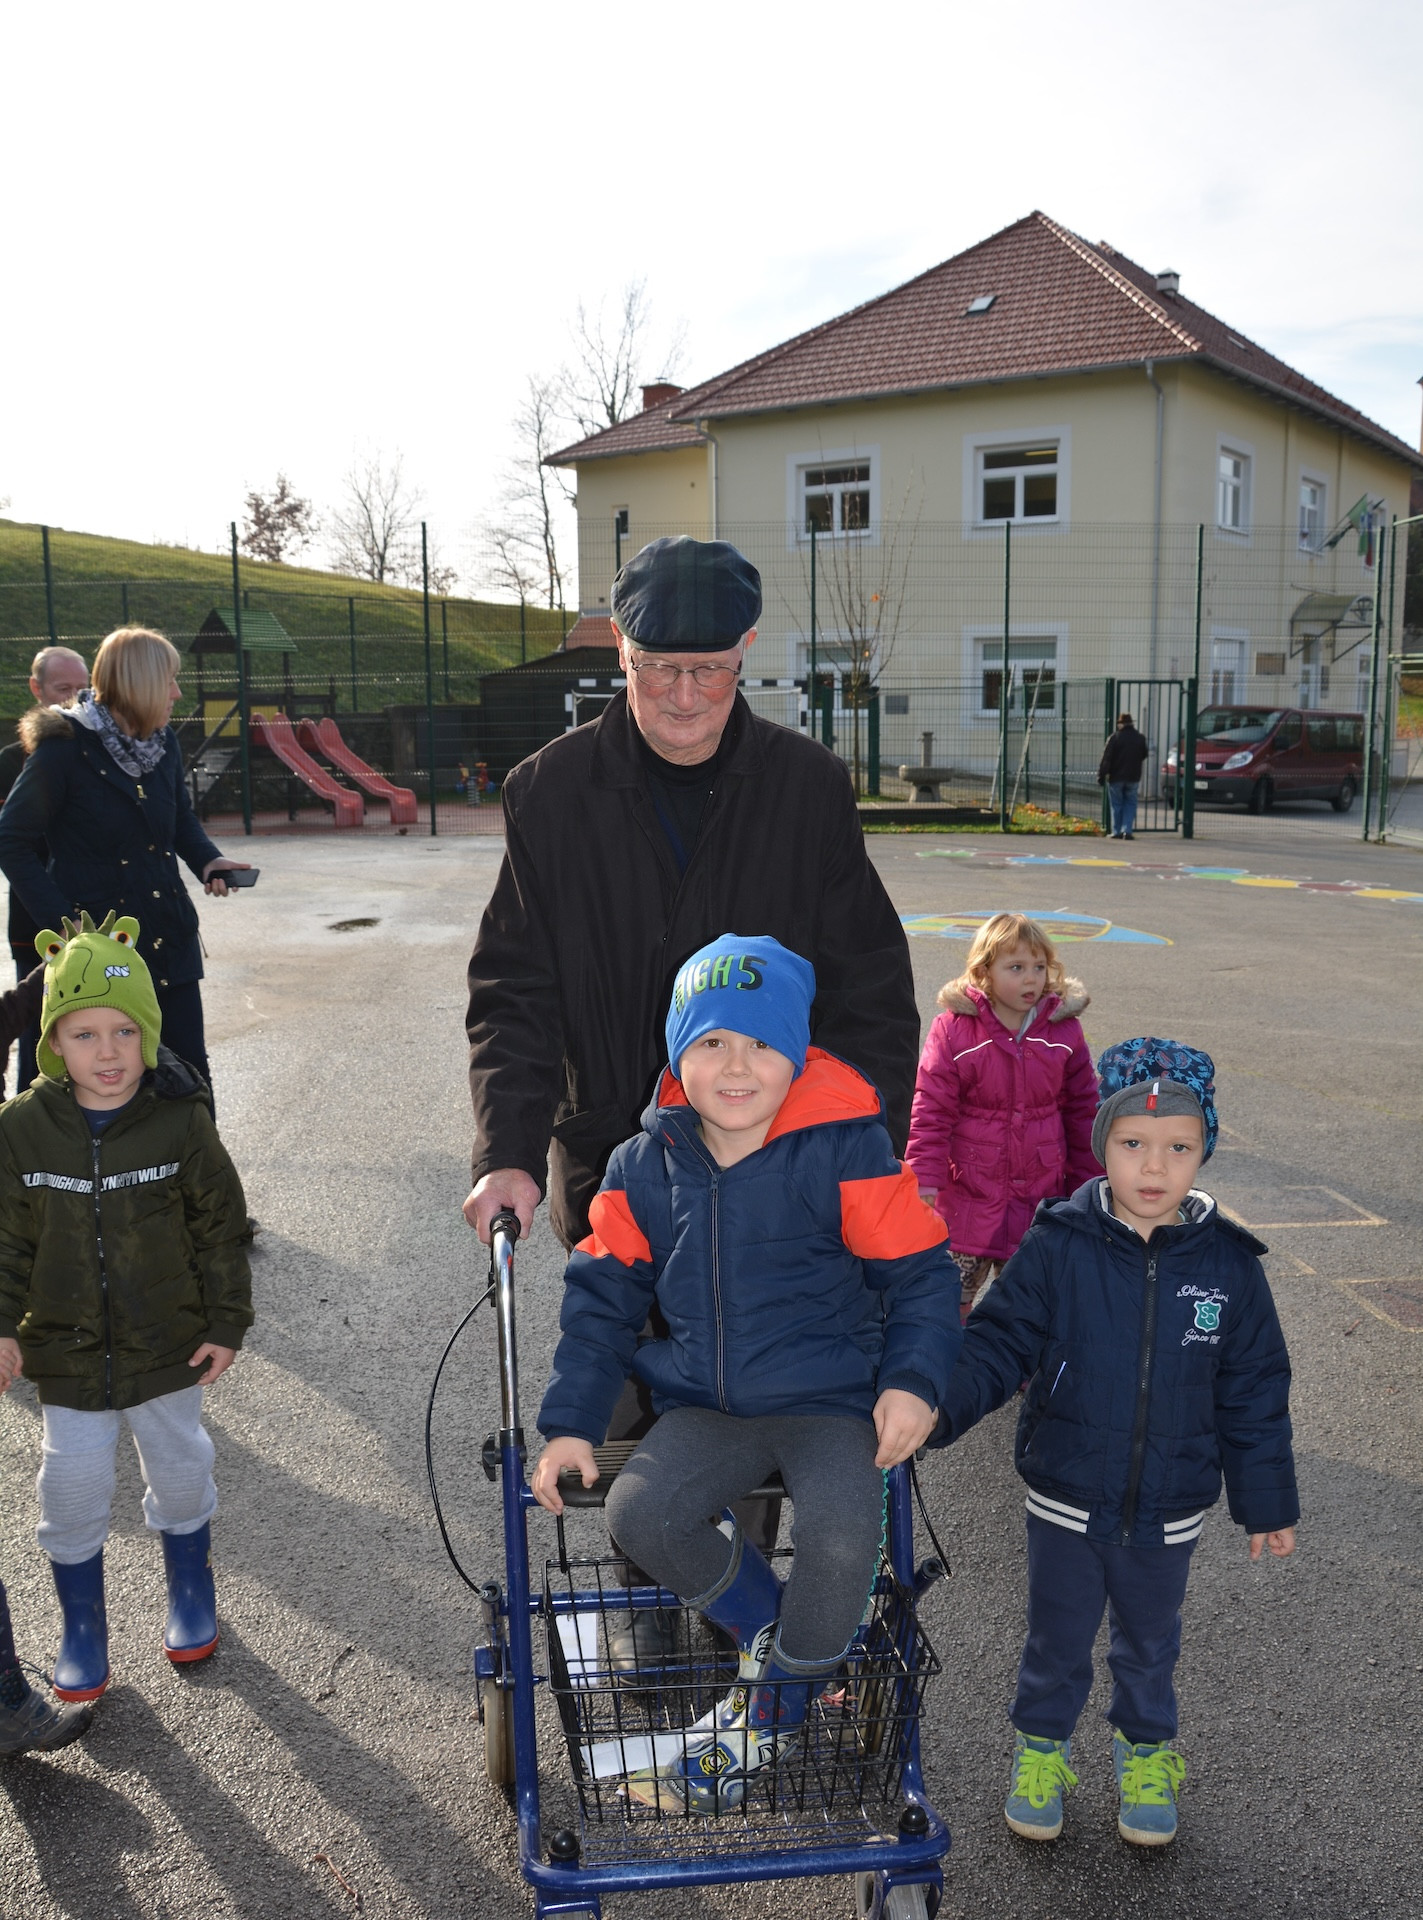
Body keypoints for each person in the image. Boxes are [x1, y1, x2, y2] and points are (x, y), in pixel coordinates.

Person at [464, 537, 920, 1665]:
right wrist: (507, 1148)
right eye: (656, 667)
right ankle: (654, 1612)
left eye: (707, 669)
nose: (681, 695)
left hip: (783, 1168)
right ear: (619, 653)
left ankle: (731, 1633)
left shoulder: (804, 788)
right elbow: (515, 993)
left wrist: (855, 1151)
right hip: (616, 1162)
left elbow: (869, 990)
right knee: (632, 1394)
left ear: (745, 654)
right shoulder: (549, 794)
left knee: (762, 1388)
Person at [531, 935, 960, 1812]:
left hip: (831, 1401)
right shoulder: (641, 1168)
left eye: (761, 1043)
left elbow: (921, 1275)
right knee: (640, 1512)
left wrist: (911, 1382)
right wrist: (570, 1422)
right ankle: (782, 1642)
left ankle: (770, 1712)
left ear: (796, 1054)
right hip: (706, 1403)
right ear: (676, 1054)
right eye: (712, 1041)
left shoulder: (845, 1149)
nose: (736, 1066)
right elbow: (600, 1305)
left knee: (842, 1536)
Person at [932, 1037, 1297, 1848]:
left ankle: (1145, 1756)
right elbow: (996, 1343)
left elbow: (1253, 1389)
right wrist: (933, 1411)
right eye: (1133, 1143)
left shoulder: (1230, 1266)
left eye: (1178, 1148)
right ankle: (1040, 1753)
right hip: (1065, 1490)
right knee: (1056, 1639)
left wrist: (1266, 1499)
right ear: (1102, 1144)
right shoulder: (1058, 1242)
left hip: (1169, 1502)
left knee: (1149, 1644)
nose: (1153, 1166)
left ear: (1203, 1151)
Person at [0, 911, 253, 1701]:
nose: (107, 1054)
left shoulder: (180, 1120)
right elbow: (5, 1242)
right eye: (84, 1035)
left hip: (167, 1345)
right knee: (70, 1491)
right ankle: (82, 1626)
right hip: (65, 1354)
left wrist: (226, 1323)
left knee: (180, 1471)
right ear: (52, 1040)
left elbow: (220, 1228)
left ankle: (190, 1586)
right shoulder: (22, 1130)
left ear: (149, 1033)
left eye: (125, 1032)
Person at [0, 627, 252, 1098]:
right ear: (139, 683)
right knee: (106, 1089)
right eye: (169, 681)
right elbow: (11, 840)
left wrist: (209, 861)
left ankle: (196, 1152)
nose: (177, 693)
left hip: (169, 937)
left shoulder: (164, 743)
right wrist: (65, 923)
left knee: (189, 1082)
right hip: (99, 954)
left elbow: (180, 819)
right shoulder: (64, 746)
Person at [906, 913, 1099, 1318]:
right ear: (984, 973)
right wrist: (924, 1175)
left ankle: (1017, 1358)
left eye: (1039, 967)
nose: (1031, 979)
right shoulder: (955, 1030)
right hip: (968, 1198)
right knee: (948, 1298)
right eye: (1016, 968)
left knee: (1028, 1305)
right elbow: (932, 1108)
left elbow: (1083, 1112)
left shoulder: (1063, 1032)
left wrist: (1088, 1184)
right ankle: (952, 1351)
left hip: (1038, 1196)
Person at [0, 646, 90, 1095]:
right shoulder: (9, 762)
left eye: (83, 689)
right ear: (36, 689)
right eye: (62, 688)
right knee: (40, 1033)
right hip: (35, 921)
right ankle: (27, 1124)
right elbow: (13, 844)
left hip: (90, 915)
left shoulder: (95, 752)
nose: (74, 699)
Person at [1097, 712, 1151, 839]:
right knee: (1130, 803)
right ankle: (1127, 830)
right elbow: (1144, 754)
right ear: (1131, 723)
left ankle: (1116, 831)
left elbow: (1106, 759)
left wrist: (1101, 775)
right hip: (1133, 776)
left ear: (1120, 724)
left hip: (1116, 777)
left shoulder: (1114, 738)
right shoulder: (1140, 738)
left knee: (1116, 804)